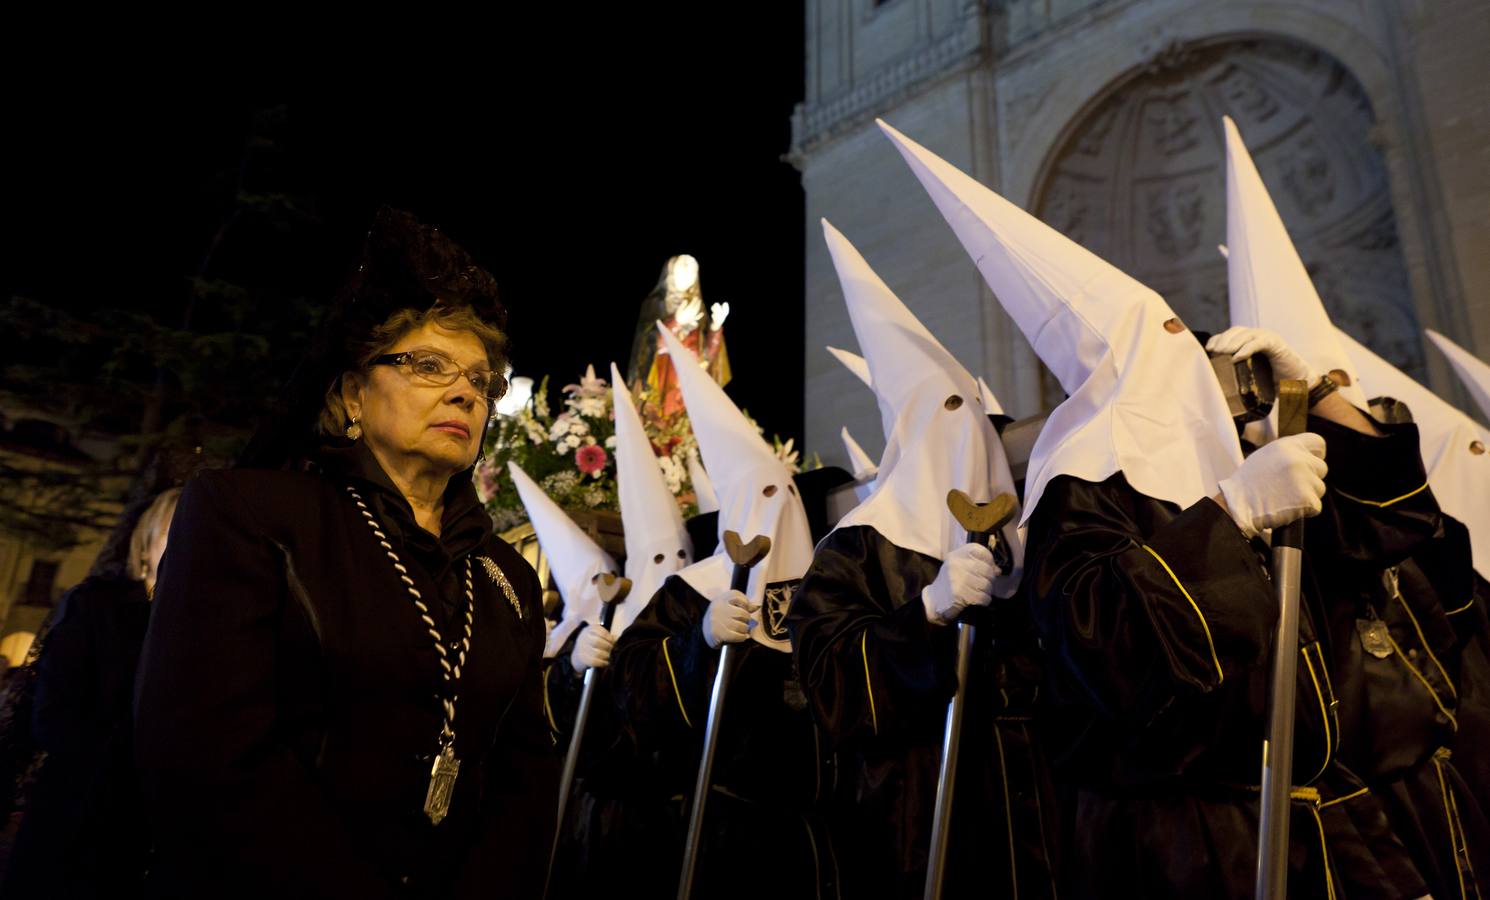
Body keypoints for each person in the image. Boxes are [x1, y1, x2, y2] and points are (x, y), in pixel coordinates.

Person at [882, 120, 1439, 898]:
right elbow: (1106, 650)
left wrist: (1317, 394)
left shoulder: (1242, 459)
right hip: (1192, 840)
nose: (1190, 362)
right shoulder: (1080, 488)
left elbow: (1395, 525)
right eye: (1166, 343)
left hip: (1325, 810)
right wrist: (1230, 515)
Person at [133, 208, 556, 899]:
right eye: (428, 365)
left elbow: (524, 775)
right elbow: (201, 756)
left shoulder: (503, 575)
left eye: (482, 382)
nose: (464, 392)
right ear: (354, 394)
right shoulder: (250, 515)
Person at [790, 221, 1058, 899]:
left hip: (1035, 806)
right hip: (920, 812)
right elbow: (831, 688)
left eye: (971, 407)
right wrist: (926, 615)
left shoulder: (1021, 534)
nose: (965, 428)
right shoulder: (857, 546)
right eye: (946, 410)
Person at [610, 323, 836, 899]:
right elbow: (632, 682)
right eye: (763, 497)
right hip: (725, 829)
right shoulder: (692, 589)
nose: (780, 509)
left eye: (786, 493)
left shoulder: (823, 589)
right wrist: (700, 642)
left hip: (814, 832)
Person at [1, 488, 179, 898]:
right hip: (77, 816)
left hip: (146, 831)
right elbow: (54, 714)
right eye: (175, 532)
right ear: (146, 542)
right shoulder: (98, 606)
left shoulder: (207, 627)